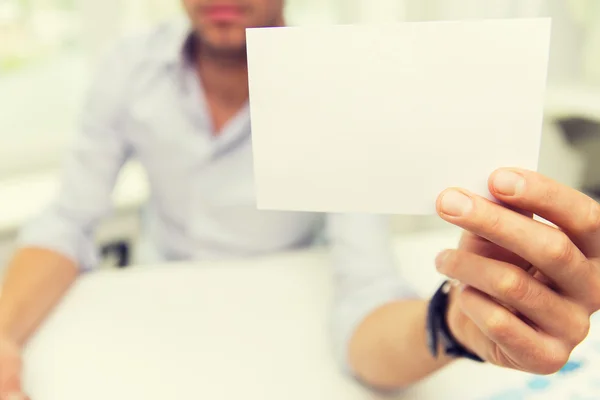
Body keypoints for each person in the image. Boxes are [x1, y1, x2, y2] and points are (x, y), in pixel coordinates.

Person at [1, 0, 599, 398]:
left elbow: (365, 285)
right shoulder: (128, 67)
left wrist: (455, 325)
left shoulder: (334, 82)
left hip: (283, 312)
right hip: (160, 306)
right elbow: (69, 221)